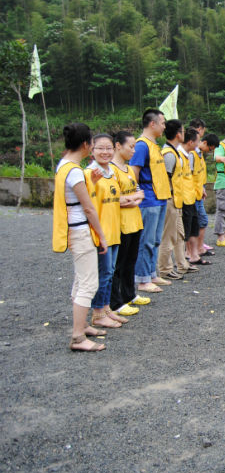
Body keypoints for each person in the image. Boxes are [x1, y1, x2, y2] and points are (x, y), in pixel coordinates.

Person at [53, 123, 108, 351]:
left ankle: (82, 325)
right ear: (86, 144)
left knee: (80, 279)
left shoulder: (64, 165)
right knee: (88, 283)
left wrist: (91, 183)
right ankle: (77, 336)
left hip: (73, 230)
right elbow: (88, 208)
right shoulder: (74, 171)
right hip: (81, 231)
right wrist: (101, 235)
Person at [86, 133, 126, 330]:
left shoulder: (112, 172)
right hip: (100, 232)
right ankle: (98, 313)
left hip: (114, 230)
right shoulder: (90, 174)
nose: (105, 152)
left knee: (110, 272)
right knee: (103, 273)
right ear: (91, 150)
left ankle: (106, 307)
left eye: (108, 148)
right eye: (100, 148)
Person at [131, 109, 171, 294]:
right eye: (162, 123)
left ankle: (152, 274)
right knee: (146, 240)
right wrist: (137, 194)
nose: (164, 126)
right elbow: (134, 172)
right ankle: (142, 279)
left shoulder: (154, 145)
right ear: (152, 124)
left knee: (155, 240)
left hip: (160, 198)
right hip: (148, 199)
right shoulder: (141, 145)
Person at [110, 131, 147, 316]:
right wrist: (132, 199)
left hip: (135, 221)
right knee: (119, 263)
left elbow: (140, 194)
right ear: (118, 146)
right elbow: (115, 199)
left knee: (130, 261)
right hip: (121, 223)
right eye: (131, 146)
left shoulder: (129, 169)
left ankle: (129, 294)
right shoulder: (111, 171)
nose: (134, 150)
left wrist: (132, 199)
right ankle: (115, 302)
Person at [157, 119, 189, 280]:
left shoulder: (174, 152)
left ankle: (182, 264)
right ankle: (165, 268)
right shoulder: (169, 154)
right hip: (170, 199)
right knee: (168, 236)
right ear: (178, 134)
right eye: (183, 131)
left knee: (179, 234)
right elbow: (165, 179)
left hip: (176, 200)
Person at [189, 119, 215, 257]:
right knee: (198, 221)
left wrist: (202, 188)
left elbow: (198, 175)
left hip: (198, 192)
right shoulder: (192, 154)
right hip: (192, 194)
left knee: (200, 221)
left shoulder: (199, 154)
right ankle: (194, 250)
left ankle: (198, 248)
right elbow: (189, 175)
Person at [179, 128, 204, 266]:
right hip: (183, 199)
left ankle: (194, 256)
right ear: (190, 142)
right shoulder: (178, 156)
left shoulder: (188, 155)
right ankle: (184, 257)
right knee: (185, 230)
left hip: (192, 197)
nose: (199, 145)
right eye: (197, 142)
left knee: (194, 227)